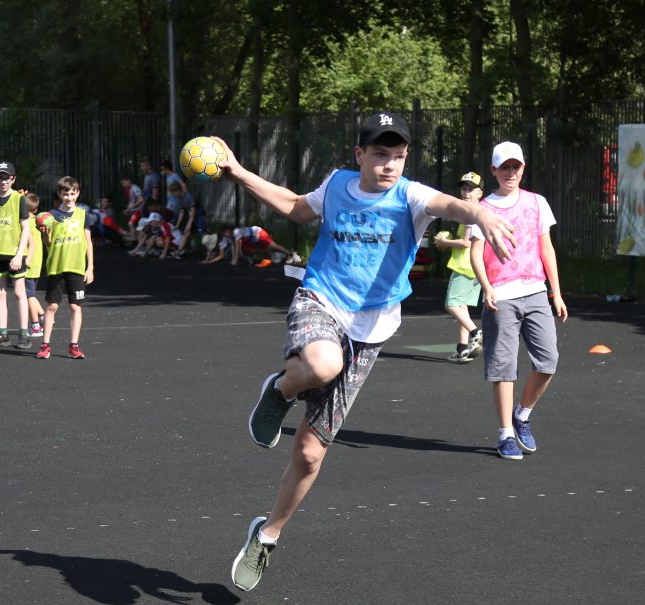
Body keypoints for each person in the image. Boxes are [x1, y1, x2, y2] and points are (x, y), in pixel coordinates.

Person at [216, 112, 514, 592]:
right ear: (359, 155)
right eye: (380, 154)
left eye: (398, 156)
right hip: (322, 299)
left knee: (310, 454)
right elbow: (295, 206)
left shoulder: (411, 196)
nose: (390, 164)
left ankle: (266, 535)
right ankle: (282, 388)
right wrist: (237, 171)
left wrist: (480, 212)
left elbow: (449, 206)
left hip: (370, 330)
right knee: (321, 362)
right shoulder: (336, 185)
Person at [469, 141, 568, 461]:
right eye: (505, 167)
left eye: (516, 167)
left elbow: (547, 248)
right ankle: (505, 435)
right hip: (501, 295)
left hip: (535, 290)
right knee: (503, 368)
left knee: (548, 360)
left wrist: (556, 291)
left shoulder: (537, 203)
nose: (511, 173)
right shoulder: (481, 208)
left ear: (523, 168)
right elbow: (474, 252)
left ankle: (522, 415)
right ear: (493, 171)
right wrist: (487, 288)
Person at [36, 176, 95, 360]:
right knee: (52, 306)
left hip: (76, 267)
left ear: (77, 193)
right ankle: (45, 345)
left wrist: (90, 267)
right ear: (59, 194)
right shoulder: (51, 216)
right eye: (65, 193)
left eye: (72, 193)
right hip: (57, 267)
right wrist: (45, 234)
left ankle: (74, 345)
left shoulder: (83, 215)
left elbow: (88, 242)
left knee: (75, 306)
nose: (69, 197)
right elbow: (47, 243)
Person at [432, 171, 485, 363]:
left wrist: (445, 241)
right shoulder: (477, 212)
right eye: (464, 189)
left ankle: (476, 332)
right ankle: (462, 349)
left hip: (465, 267)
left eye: (471, 189)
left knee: (451, 304)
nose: (466, 193)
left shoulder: (472, 213)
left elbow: (465, 243)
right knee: (462, 308)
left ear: (480, 193)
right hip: (476, 269)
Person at [0, 161, 33, 349]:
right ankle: (2, 333)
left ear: (13, 179)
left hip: (14, 254)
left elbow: (26, 228)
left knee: (20, 293)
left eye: (7, 177)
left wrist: (19, 255)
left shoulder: (18, 199)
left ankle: (23, 334)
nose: (3, 181)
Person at [23, 193, 46, 337]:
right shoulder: (38, 223)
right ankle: (43, 316)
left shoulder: (25, 224)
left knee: (29, 295)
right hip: (36, 263)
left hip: (28, 262)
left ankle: (36, 325)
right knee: (30, 293)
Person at [229, 225, 297, 267]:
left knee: (273, 245)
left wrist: (234, 261)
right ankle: (279, 255)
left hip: (258, 233)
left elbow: (237, 248)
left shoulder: (236, 232)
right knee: (262, 249)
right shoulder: (232, 236)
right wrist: (233, 259)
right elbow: (234, 247)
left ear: (228, 231)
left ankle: (291, 254)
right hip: (252, 239)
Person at [166, 181, 195, 256]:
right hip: (189, 215)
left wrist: (189, 224)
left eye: (174, 193)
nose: (173, 196)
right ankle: (182, 249)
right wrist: (177, 225)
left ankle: (180, 250)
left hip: (196, 216)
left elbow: (193, 212)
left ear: (178, 191)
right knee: (185, 233)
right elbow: (182, 212)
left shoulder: (188, 196)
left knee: (187, 232)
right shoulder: (180, 198)